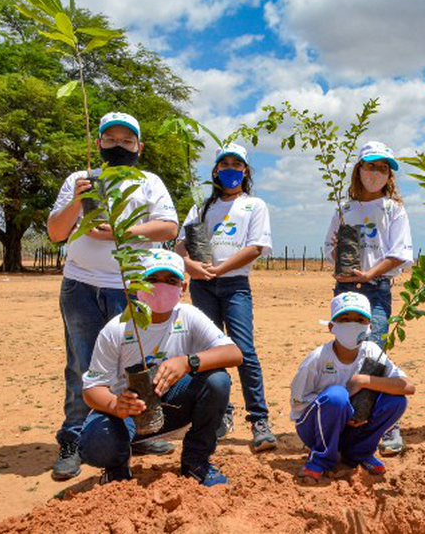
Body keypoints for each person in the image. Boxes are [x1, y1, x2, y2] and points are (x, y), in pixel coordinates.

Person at [47, 112, 179, 481]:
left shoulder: (150, 182)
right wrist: (76, 202)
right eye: (111, 139)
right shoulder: (80, 179)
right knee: (82, 366)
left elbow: (169, 225)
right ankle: (73, 439)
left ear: (139, 146)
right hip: (80, 286)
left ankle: (131, 433)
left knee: (129, 364)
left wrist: (122, 231)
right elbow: (56, 232)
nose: (118, 146)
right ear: (98, 143)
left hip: (128, 285)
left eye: (126, 140)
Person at [79, 249, 242, 486]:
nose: (161, 287)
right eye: (152, 280)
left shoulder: (187, 316)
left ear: (183, 288)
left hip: (172, 405)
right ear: (137, 287)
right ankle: (116, 467)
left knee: (217, 381)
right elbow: (91, 390)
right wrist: (115, 405)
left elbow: (234, 353)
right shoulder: (118, 328)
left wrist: (187, 362)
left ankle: (196, 461)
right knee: (98, 442)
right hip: (127, 414)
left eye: (171, 281)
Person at [175, 143, 276, 452]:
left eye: (237, 164)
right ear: (216, 170)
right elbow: (181, 244)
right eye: (225, 164)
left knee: (243, 349)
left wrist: (219, 269)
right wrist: (191, 266)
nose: (231, 169)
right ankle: (219, 415)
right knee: (208, 349)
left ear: (245, 170)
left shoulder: (254, 205)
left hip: (234, 286)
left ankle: (259, 420)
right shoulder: (201, 208)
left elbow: (255, 247)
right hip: (202, 286)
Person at [324, 140, 413, 457]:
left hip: (375, 290)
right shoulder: (344, 210)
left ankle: (387, 425)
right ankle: (348, 418)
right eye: (370, 166)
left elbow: (400, 253)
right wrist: (340, 259)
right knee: (346, 351)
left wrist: (369, 274)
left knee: (374, 352)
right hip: (345, 291)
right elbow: (330, 248)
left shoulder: (393, 209)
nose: (375, 172)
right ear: (358, 169)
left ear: (389, 175)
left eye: (382, 168)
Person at [290, 292, 414, 480]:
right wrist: (340, 413)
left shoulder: (372, 352)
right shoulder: (318, 358)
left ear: (369, 327)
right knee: (336, 396)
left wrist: (363, 381)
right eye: (345, 319)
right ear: (332, 327)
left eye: (359, 319)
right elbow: (298, 404)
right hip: (315, 429)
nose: (352, 324)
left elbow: (407, 386)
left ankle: (359, 453)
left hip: (354, 428)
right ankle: (321, 459)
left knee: (396, 401)